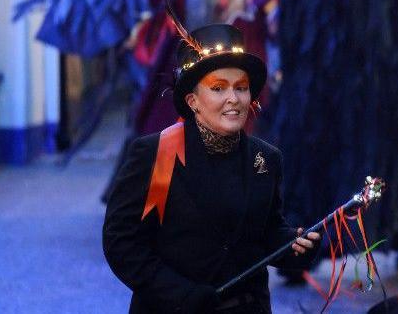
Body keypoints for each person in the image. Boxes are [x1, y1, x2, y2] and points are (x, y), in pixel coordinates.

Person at [104, 22, 320, 313]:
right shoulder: (155, 154)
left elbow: (265, 233)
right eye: (219, 88)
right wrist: (180, 293)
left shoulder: (266, 159)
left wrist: (294, 244)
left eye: (241, 88)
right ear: (193, 101)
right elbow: (122, 243)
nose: (234, 99)